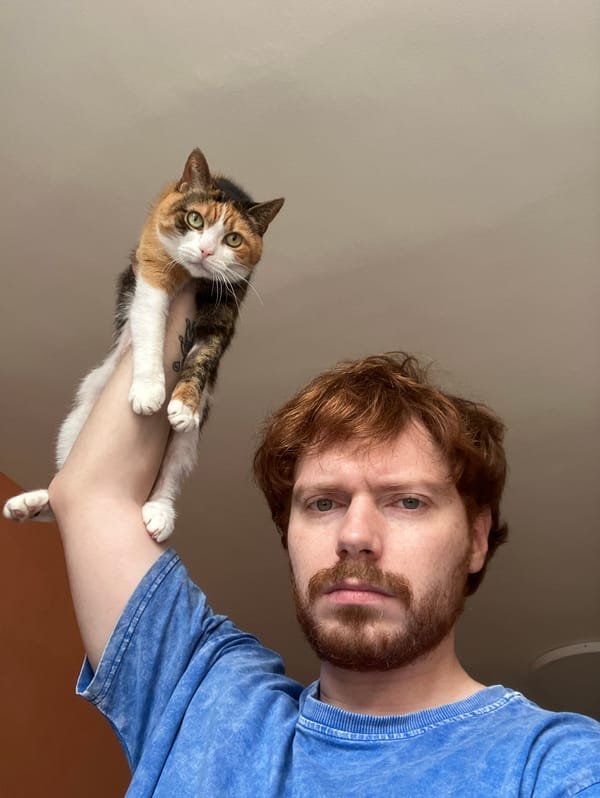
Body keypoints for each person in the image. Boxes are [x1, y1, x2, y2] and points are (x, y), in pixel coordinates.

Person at [48, 286, 600, 797]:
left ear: (475, 540)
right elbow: (93, 494)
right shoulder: (202, 700)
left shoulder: (556, 767)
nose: (355, 536)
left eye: (407, 501)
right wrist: (202, 280)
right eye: (323, 503)